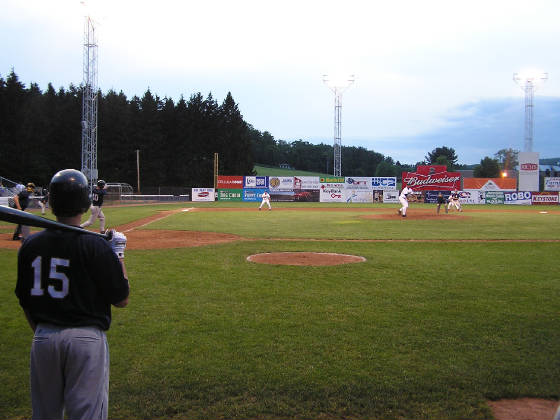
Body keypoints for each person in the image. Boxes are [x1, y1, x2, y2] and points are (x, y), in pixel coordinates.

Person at [15, 169, 129, 420]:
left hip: (42, 338)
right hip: (85, 340)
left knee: (44, 414)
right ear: (85, 203)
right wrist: (118, 253)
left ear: (52, 203)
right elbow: (121, 298)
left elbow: (24, 300)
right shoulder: (95, 246)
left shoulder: (30, 246)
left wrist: (43, 331)